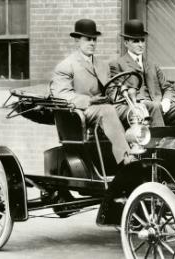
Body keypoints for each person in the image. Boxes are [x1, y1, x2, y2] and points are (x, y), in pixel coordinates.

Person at [50, 18, 133, 165]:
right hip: (82, 112)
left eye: (94, 39)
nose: (92, 43)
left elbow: (110, 90)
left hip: (104, 107)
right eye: (88, 39)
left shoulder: (102, 65)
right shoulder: (66, 66)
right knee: (107, 111)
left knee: (133, 112)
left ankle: (144, 151)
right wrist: (88, 100)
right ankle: (126, 157)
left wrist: (125, 97)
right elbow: (61, 95)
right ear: (77, 41)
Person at [108, 19, 175, 127]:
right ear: (126, 43)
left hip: (160, 106)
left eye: (142, 40)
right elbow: (116, 94)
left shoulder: (152, 66)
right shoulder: (117, 64)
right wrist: (138, 102)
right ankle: (160, 143)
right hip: (140, 109)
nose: (141, 44)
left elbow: (168, 87)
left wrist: (166, 100)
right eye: (136, 41)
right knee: (153, 106)